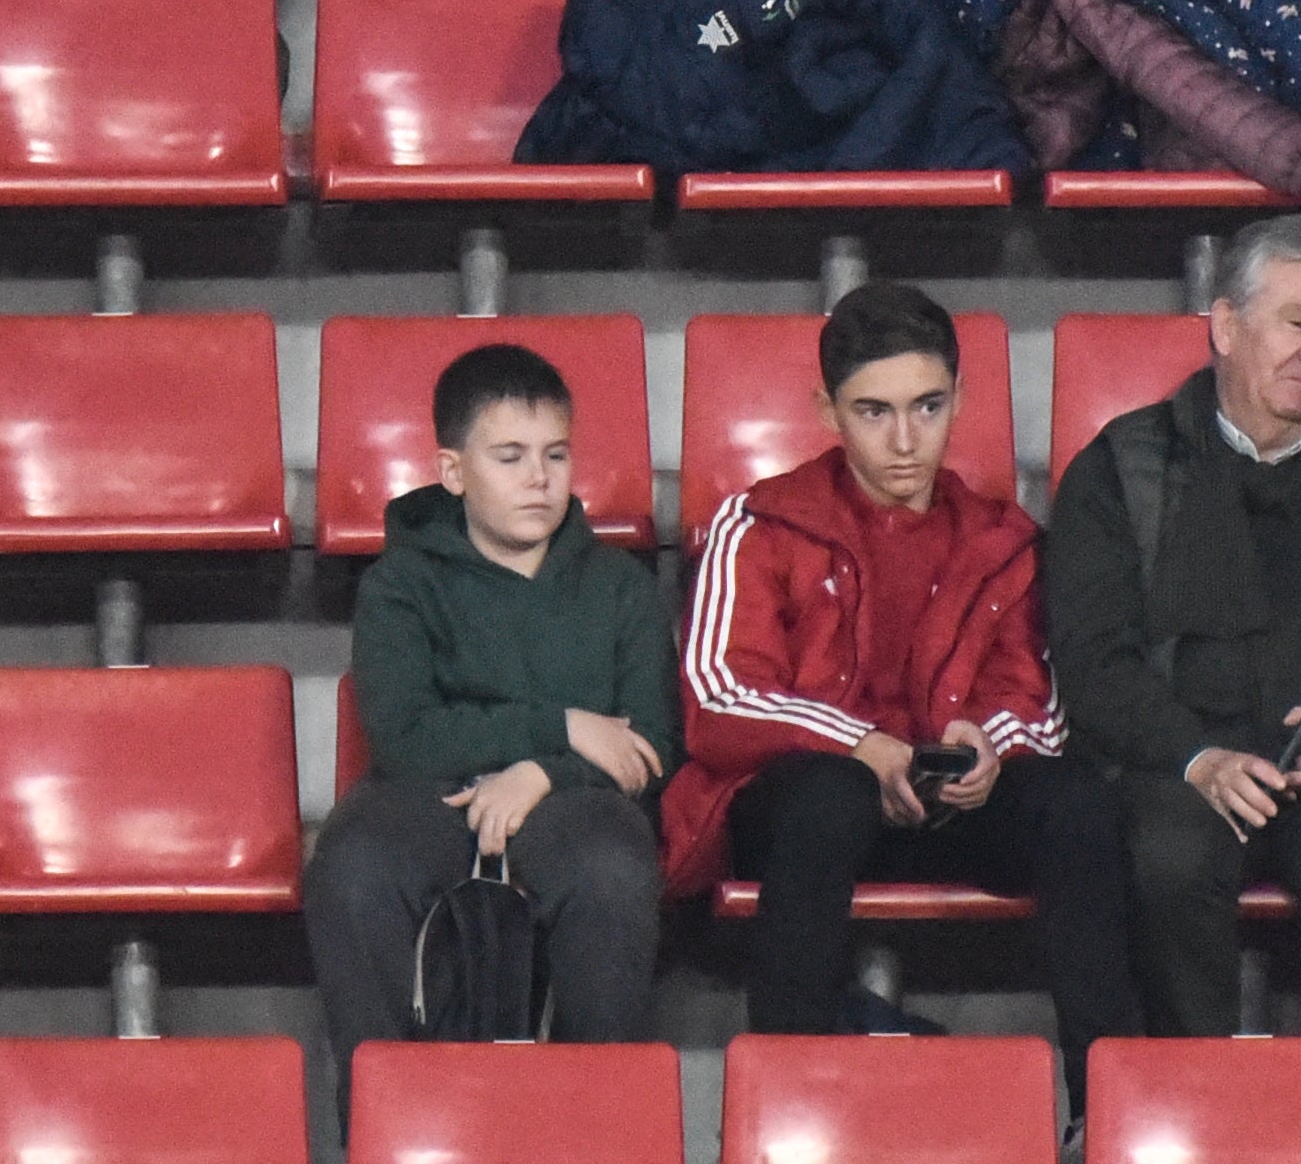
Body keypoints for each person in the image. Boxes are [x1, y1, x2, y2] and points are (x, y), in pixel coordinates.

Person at [662, 282, 1136, 1056]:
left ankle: (1109, 1101)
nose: (906, 440)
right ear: (827, 411)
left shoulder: (1001, 539)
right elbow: (720, 699)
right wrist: (858, 745)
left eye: (928, 406)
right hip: (800, 814)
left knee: (1075, 800)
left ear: (960, 399)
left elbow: (1037, 704)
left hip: (947, 804)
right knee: (828, 794)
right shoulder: (758, 524)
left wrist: (986, 742)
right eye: (873, 412)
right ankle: (790, 1103)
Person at [1047, 214, 1301, 1040]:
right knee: (1170, 859)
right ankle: (1187, 1116)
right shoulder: (1122, 467)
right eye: (1295, 323)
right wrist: (1197, 756)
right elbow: (1092, 662)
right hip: (1174, 762)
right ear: (1225, 325)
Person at [305, 344, 679, 1068]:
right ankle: (385, 1138)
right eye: (510, 457)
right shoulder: (399, 584)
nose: (539, 480)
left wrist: (541, 774)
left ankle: (591, 1130)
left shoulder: (619, 587)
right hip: (428, 794)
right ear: (453, 471)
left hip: (575, 800)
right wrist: (562, 727)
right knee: (354, 869)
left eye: (557, 456)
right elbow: (406, 738)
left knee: (611, 869)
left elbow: (652, 745)